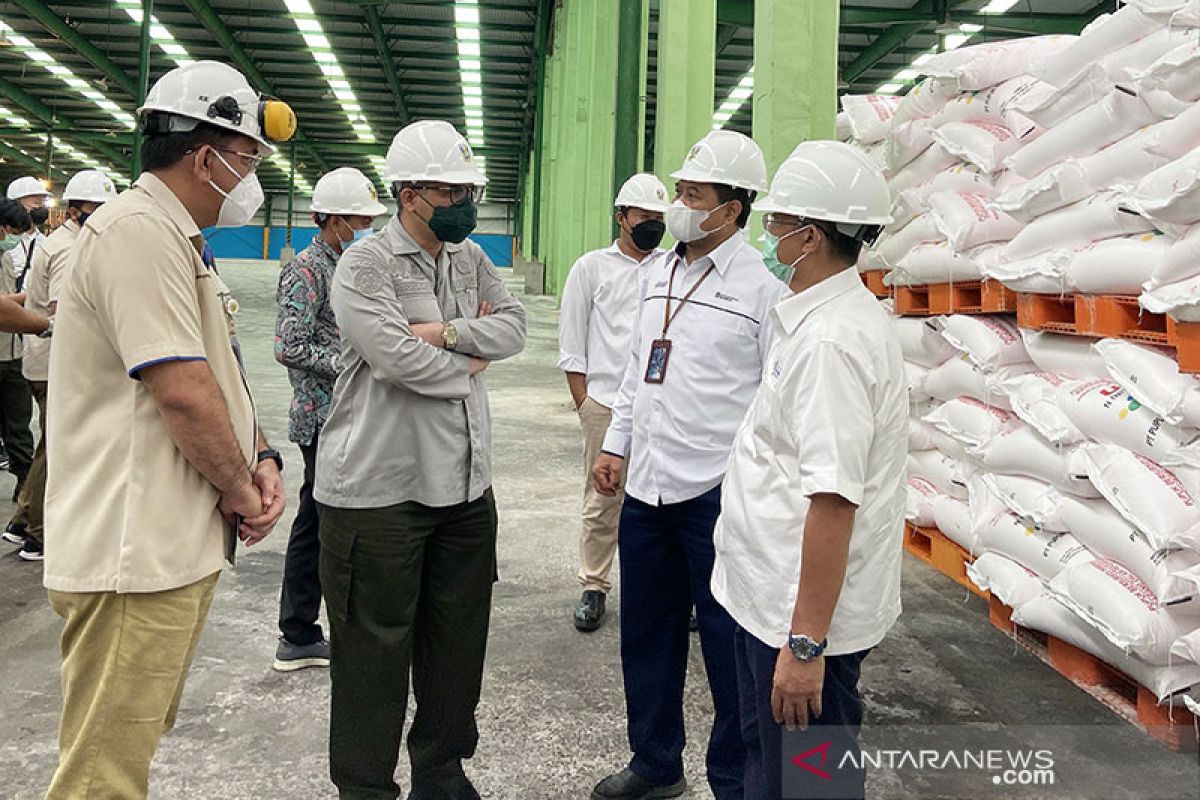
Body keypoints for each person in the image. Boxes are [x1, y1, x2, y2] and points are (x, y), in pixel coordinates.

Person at [41, 60, 294, 799]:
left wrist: (262, 453)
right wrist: (244, 490)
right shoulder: (138, 232)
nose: (252, 176)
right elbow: (181, 392)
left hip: (166, 546)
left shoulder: (172, 236)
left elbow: (216, 370)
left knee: (127, 753)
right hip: (133, 548)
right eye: (247, 158)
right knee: (102, 778)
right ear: (204, 153)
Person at [315, 119, 526, 800]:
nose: (466, 200)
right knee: (373, 656)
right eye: (451, 188)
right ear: (408, 193)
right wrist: (469, 361)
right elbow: (396, 359)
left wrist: (449, 333)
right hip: (381, 493)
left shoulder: (471, 259)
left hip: (465, 488)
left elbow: (515, 326)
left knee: (457, 646)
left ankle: (441, 769)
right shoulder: (365, 264)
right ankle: (366, 787)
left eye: (472, 187)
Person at [590, 129, 790, 800]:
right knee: (647, 635)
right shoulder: (655, 274)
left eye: (693, 194)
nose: (678, 205)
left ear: (733, 208)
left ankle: (733, 779)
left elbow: (774, 400)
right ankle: (655, 763)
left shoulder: (763, 293)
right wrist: (616, 443)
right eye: (679, 191)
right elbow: (633, 373)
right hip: (646, 486)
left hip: (717, 494)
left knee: (731, 650)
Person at [711, 141, 905, 800]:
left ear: (809, 236)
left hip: (796, 624)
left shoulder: (831, 344)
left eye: (776, 225)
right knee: (765, 770)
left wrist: (803, 648)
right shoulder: (819, 318)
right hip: (767, 601)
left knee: (807, 785)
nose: (767, 237)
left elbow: (834, 502)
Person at [272, 166, 388, 672]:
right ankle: (297, 632)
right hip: (322, 415)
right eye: (359, 220)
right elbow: (289, 345)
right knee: (318, 523)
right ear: (333, 220)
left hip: (353, 412)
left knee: (339, 521)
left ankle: (321, 625)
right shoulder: (308, 269)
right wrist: (356, 360)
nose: (366, 227)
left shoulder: (353, 265)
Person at [558, 172, 669, 632]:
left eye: (659, 218)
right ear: (622, 217)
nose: (653, 225)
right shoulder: (591, 268)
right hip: (604, 402)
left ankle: (665, 594)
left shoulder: (670, 268)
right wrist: (585, 403)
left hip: (659, 403)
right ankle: (594, 586)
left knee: (663, 500)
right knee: (603, 498)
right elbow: (572, 343)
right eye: (644, 216)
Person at [3, 170, 117, 562]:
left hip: (44, 360)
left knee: (49, 444)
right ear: (75, 211)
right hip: (56, 362)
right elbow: (62, 313)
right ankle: (39, 534)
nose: (101, 215)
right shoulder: (70, 249)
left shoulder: (68, 240)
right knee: (59, 447)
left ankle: (22, 520)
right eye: (94, 208)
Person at [0, 198, 37, 507]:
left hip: (13, 353)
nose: (10, 236)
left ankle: (24, 482)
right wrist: (32, 299)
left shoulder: (4, 257)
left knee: (19, 423)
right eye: (9, 230)